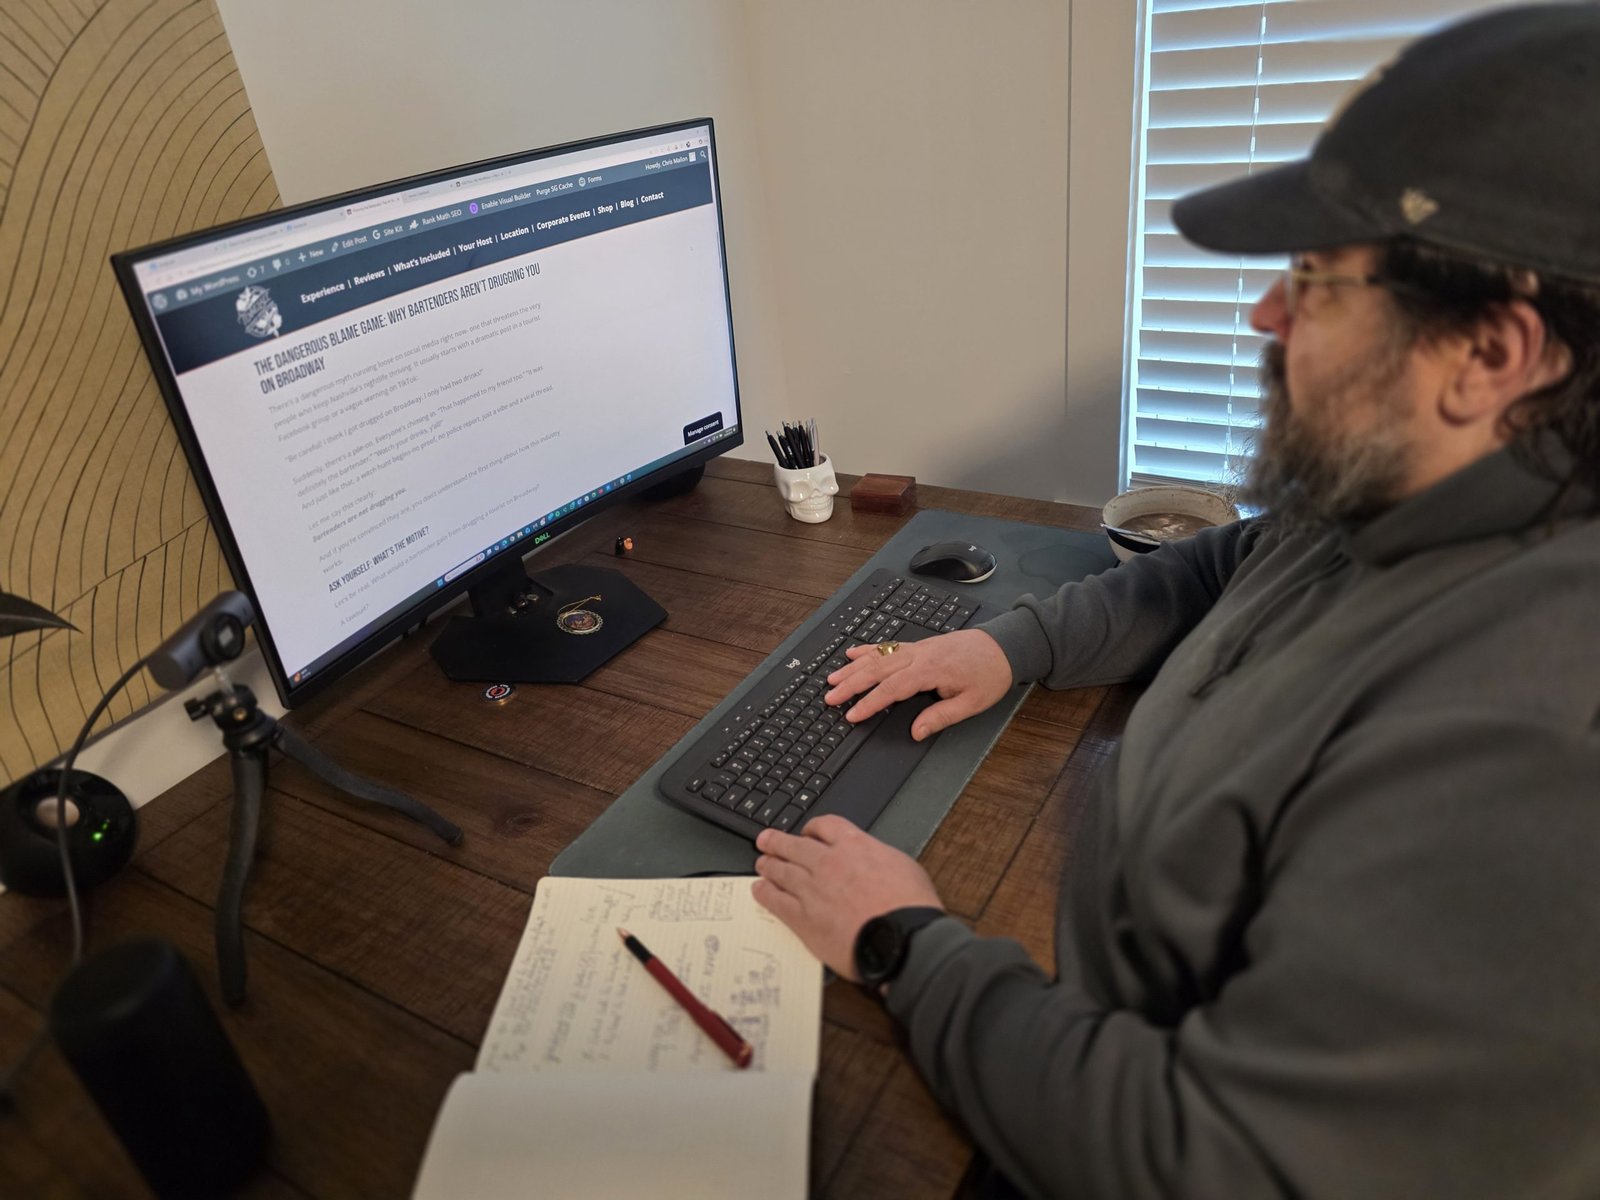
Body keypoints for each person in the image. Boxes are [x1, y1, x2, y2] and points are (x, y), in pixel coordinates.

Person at [751, 6, 1600, 1197]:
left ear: (1489, 356)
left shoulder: (1530, 751)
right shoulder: (1411, 487)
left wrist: (905, 947)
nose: (1265, 315)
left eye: (1313, 280)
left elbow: (1205, 1158)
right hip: (1102, 1017)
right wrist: (1014, 646)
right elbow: (1227, 567)